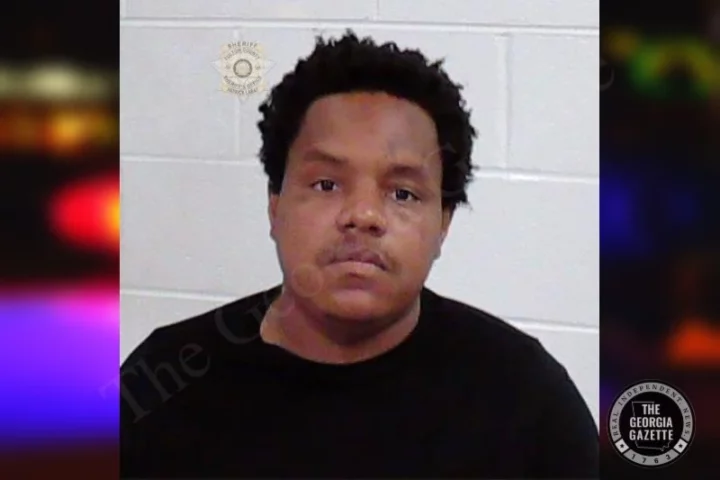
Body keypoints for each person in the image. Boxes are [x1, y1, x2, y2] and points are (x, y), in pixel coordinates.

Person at [120, 30, 598, 479]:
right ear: (275, 207)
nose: (363, 214)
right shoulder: (164, 379)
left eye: (403, 193)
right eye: (326, 184)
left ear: (443, 225)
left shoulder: (526, 401)